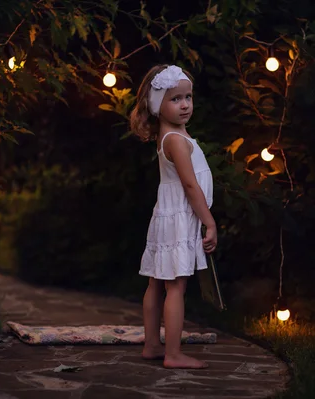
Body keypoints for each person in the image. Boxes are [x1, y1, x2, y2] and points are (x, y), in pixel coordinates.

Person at [129, 64, 217, 369]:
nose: (184, 105)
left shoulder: (172, 133)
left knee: (155, 282)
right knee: (175, 286)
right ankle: (174, 353)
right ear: (157, 105)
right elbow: (190, 186)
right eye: (175, 99)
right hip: (180, 215)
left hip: (166, 214)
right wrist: (209, 220)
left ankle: (152, 345)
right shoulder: (176, 141)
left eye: (188, 97)